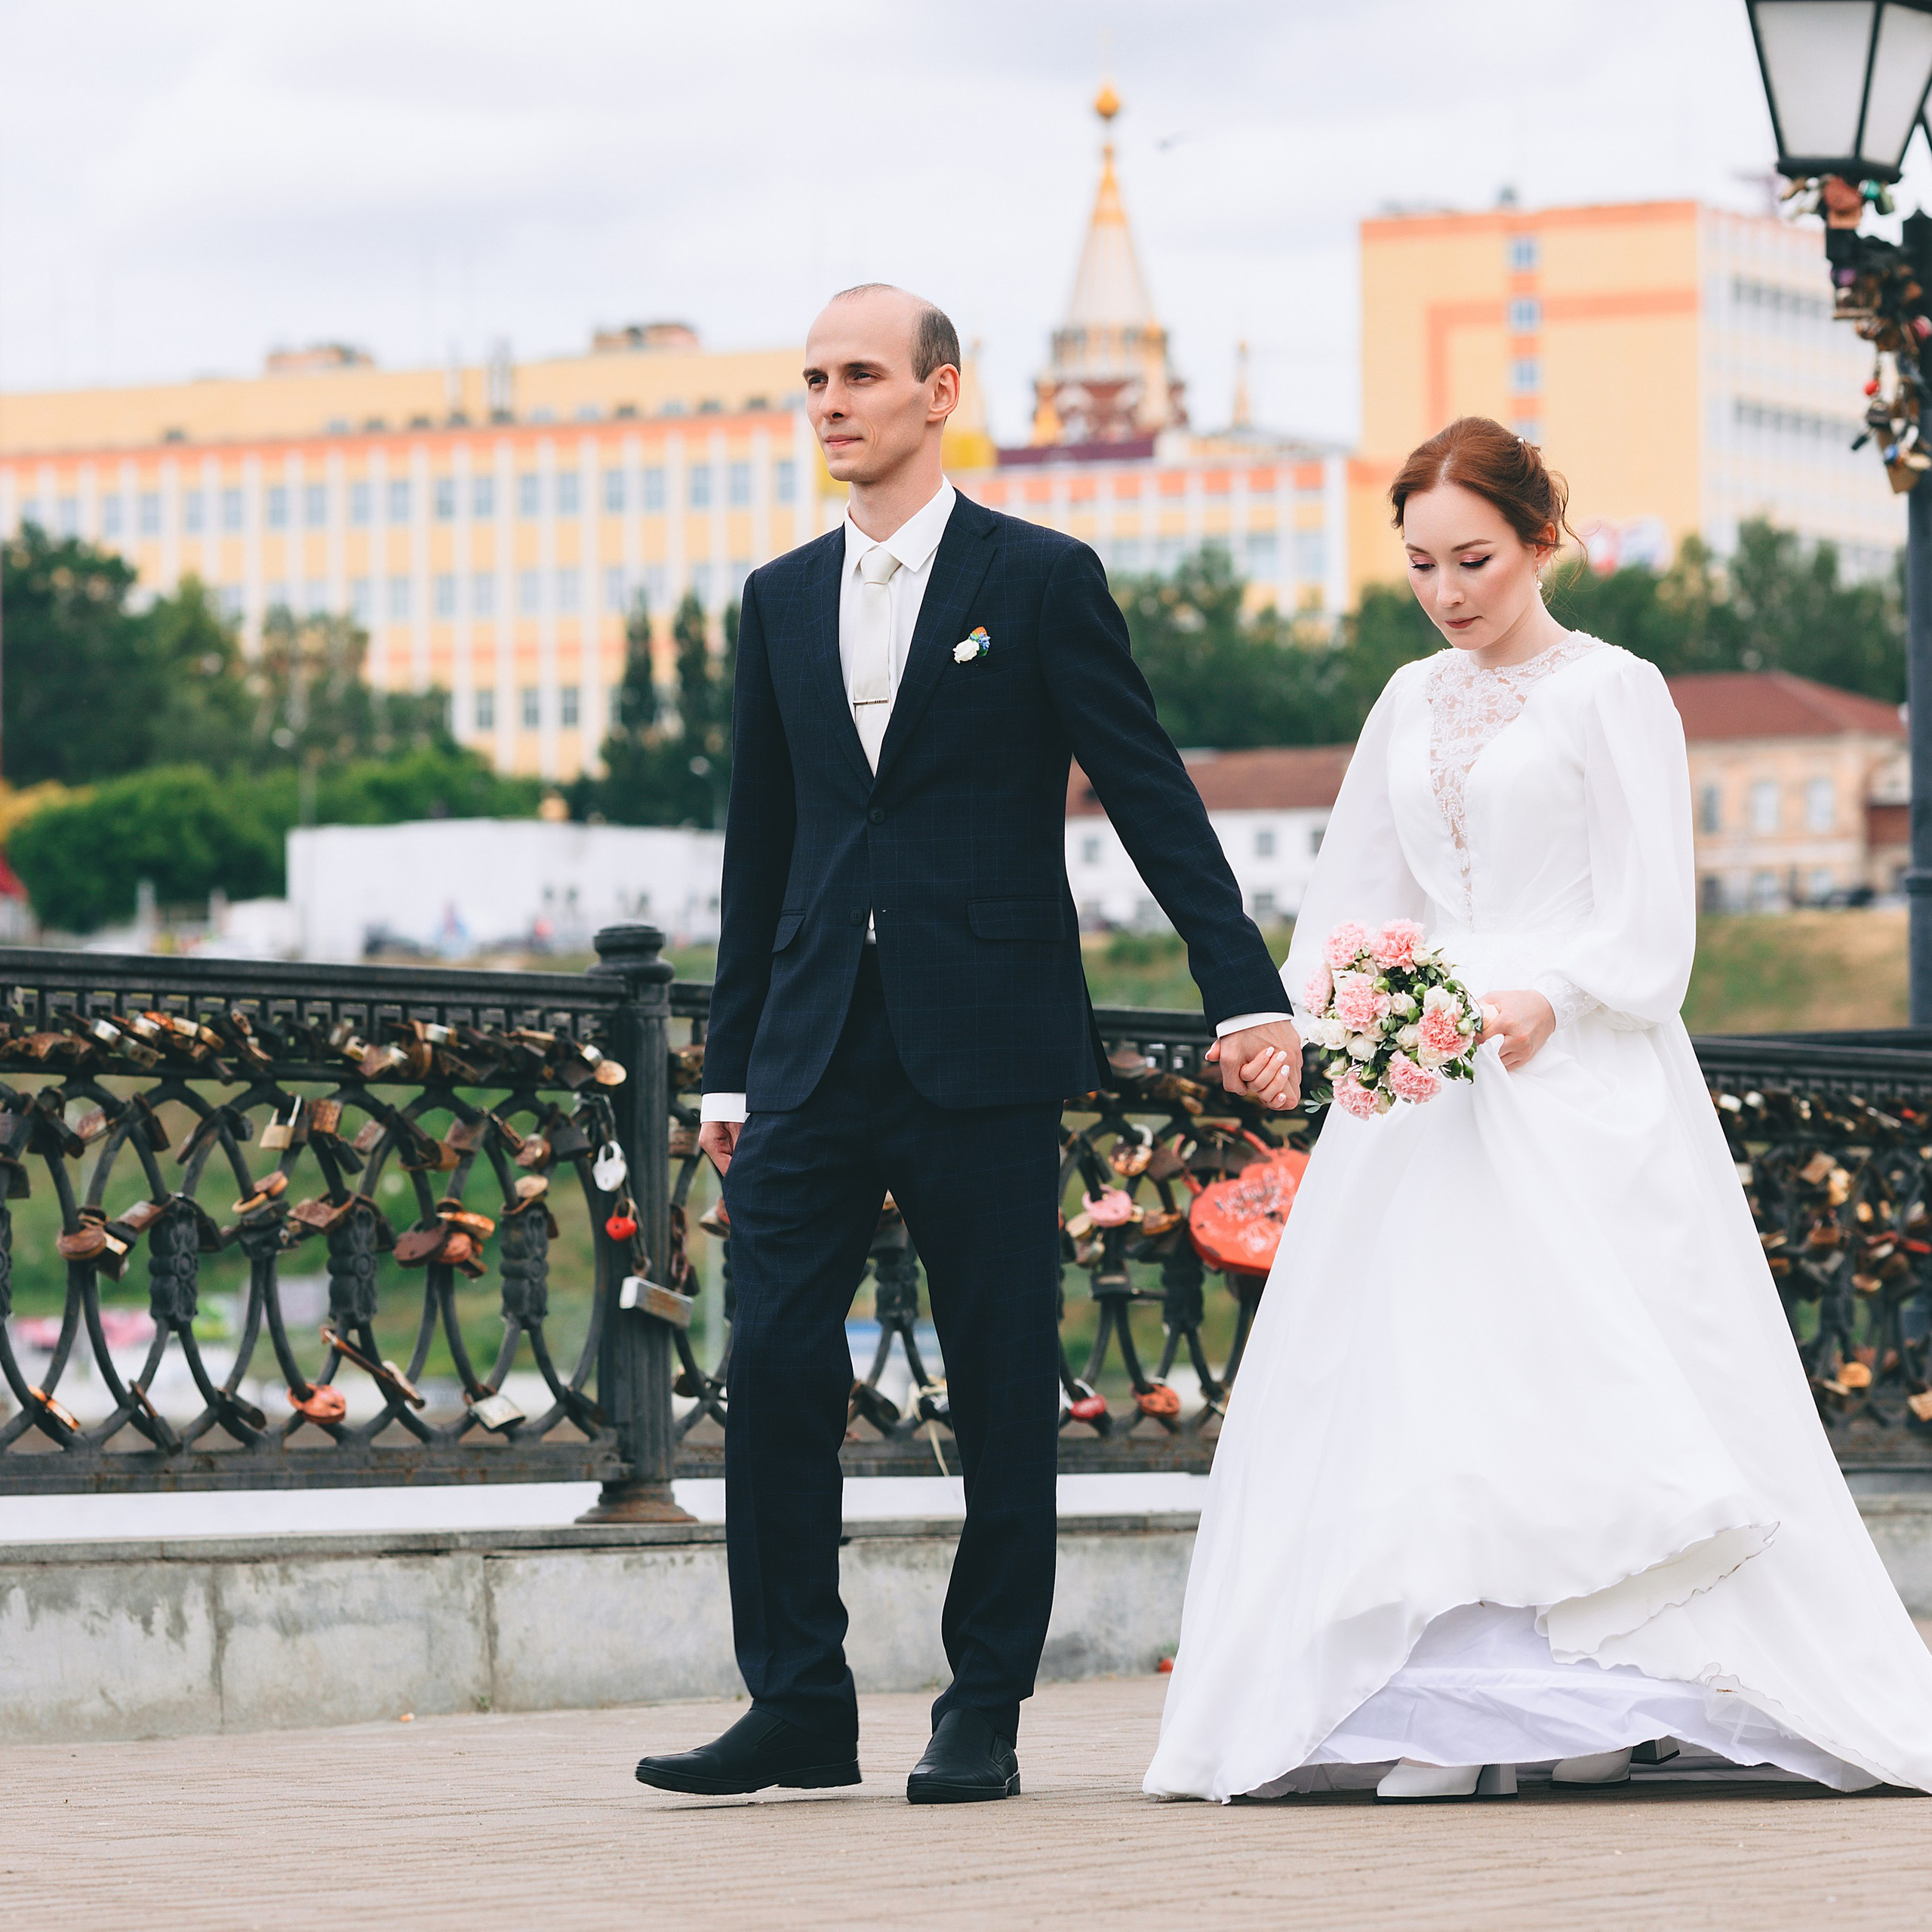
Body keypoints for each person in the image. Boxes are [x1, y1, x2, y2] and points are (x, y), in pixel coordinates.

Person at [1145, 416, 1932, 1804]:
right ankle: (1445, 1701)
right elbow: (1353, 899)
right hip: (1425, 1086)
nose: (1450, 593)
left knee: (1589, 1377)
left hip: (1576, 1072)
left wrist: (1553, 1001)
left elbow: (1655, 921)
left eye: (1476, 561)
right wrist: (1318, 1026)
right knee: (1425, 1378)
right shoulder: (1404, 697)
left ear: (1541, 542)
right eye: (1422, 566)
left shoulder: (1613, 691)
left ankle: (1591, 1696)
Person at [632, 284, 1303, 1805]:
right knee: (776, 1369)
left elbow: (1145, 787)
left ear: (939, 392)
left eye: (859, 374)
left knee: (1002, 1383)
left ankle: (979, 1704)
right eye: (811, 378)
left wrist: (1239, 986)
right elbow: (765, 842)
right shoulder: (779, 596)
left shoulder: (1041, 577)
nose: (829, 400)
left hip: (986, 1045)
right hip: (806, 1054)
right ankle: (796, 1699)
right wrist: (726, 1062)